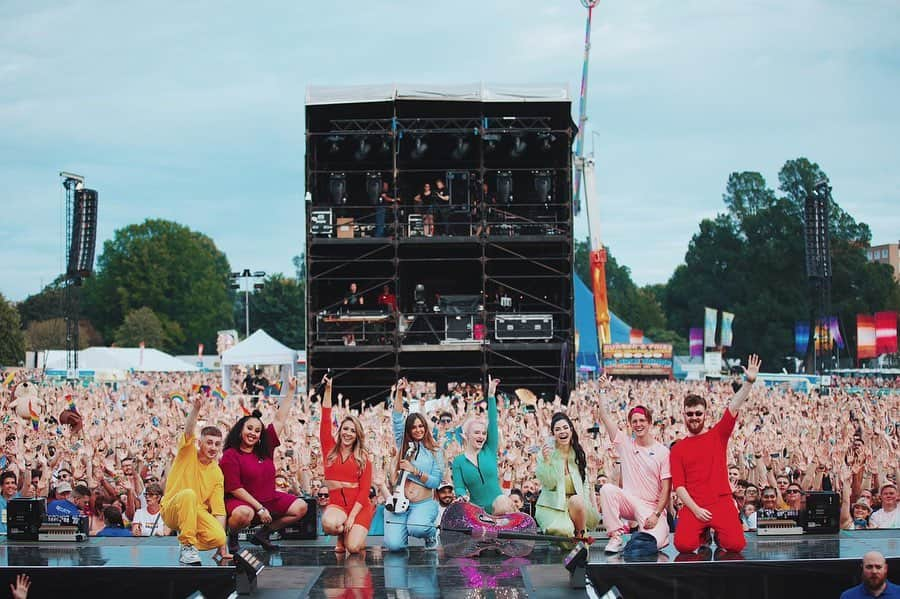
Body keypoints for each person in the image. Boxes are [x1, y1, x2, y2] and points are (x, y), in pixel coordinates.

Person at [669, 354, 761, 555]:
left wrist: (748, 383)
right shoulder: (677, 448)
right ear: (684, 415)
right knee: (683, 545)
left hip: (720, 502)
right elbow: (680, 486)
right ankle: (703, 534)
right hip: (694, 504)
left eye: (698, 414)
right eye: (690, 414)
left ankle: (717, 533)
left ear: (705, 414)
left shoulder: (717, 435)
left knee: (736, 545)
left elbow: (733, 407)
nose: (694, 418)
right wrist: (695, 510)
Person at [221, 377, 308, 553]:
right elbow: (235, 488)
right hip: (241, 502)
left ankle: (263, 534)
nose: (253, 433)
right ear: (240, 431)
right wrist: (259, 508)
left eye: (257, 430)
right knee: (244, 514)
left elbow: (279, 419)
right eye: (249, 429)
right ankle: (233, 535)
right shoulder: (230, 455)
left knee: (301, 507)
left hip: (269, 498)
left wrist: (290, 391)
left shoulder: (265, 448)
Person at [595, 376, 672, 553]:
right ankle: (616, 537)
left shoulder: (662, 452)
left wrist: (657, 514)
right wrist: (602, 391)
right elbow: (605, 416)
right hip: (629, 502)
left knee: (653, 544)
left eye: (642, 420)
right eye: (634, 421)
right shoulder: (625, 444)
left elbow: (667, 489)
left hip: (651, 508)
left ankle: (656, 532)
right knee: (606, 489)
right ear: (630, 425)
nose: (638, 424)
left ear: (649, 423)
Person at [159, 394, 230, 565]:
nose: (213, 447)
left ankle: (188, 541)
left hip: (196, 514)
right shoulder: (187, 453)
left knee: (219, 536)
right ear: (200, 443)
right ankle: (187, 545)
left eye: (217, 444)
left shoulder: (217, 473)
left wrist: (222, 545)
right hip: (173, 509)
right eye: (209, 442)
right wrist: (196, 409)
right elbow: (188, 431)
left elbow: (219, 511)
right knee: (189, 495)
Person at [384, 378, 445, 551]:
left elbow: (436, 482)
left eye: (421, 426)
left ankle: (431, 534)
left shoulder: (435, 450)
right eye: (413, 427)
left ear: (425, 428)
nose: (418, 430)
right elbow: (396, 418)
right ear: (409, 430)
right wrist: (399, 393)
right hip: (399, 504)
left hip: (423, 504)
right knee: (394, 546)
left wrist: (415, 471)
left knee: (417, 528)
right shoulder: (402, 443)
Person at [319, 374, 375, 554]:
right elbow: (326, 418)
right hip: (337, 505)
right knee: (328, 524)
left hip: (359, 506)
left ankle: (351, 538)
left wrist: (352, 518)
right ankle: (341, 534)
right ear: (340, 430)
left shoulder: (363, 459)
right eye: (345, 429)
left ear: (357, 435)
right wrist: (328, 390)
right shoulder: (329, 449)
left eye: (352, 430)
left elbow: (364, 491)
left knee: (353, 548)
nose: (348, 433)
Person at [450, 376, 515, 516]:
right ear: (466, 435)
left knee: (502, 502)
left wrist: (491, 396)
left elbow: (492, 422)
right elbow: (459, 487)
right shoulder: (458, 461)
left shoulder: (489, 450)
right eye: (477, 433)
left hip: (500, 507)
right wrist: (462, 496)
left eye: (484, 433)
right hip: (477, 512)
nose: (481, 436)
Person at [535, 412, 600, 539]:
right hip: (552, 507)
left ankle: (581, 537)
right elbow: (549, 483)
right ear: (553, 435)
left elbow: (584, 484)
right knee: (565, 532)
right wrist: (547, 461)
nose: (562, 432)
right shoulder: (545, 454)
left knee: (577, 501)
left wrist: (584, 507)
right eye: (557, 429)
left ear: (571, 430)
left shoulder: (578, 453)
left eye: (565, 428)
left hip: (576, 506)